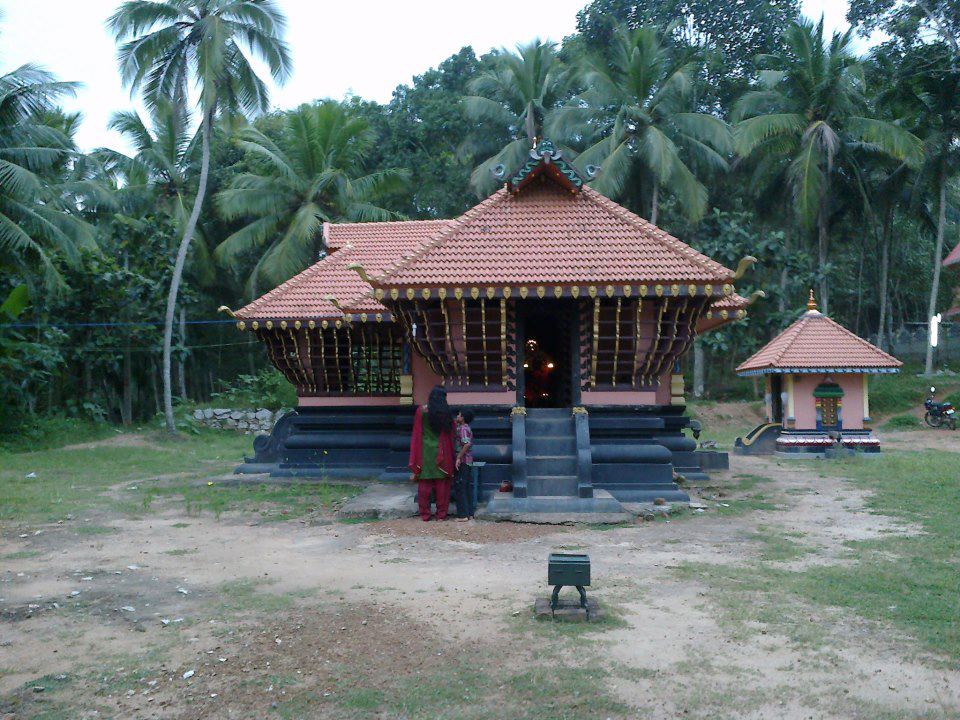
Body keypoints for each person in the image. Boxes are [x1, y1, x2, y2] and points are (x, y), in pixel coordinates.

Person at [408, 386, 456, 521]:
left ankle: (425, 514)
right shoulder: (445, 413)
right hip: (442, 451)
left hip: (425, 452)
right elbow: (451, 431)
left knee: (424, 484)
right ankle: (441, 515)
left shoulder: (421, 411)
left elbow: (417, 433)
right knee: (442, 486)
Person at [453, 409, 475, 520]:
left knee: (460, 486)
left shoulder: (462, 429)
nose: (457, 416)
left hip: (463, 461)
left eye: (459, 414)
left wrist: (458, 457)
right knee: (466, 487)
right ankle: (469, 513)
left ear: (463, 418)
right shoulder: (466, 428)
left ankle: (463, 515)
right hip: (467, 460)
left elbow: (466, 444)